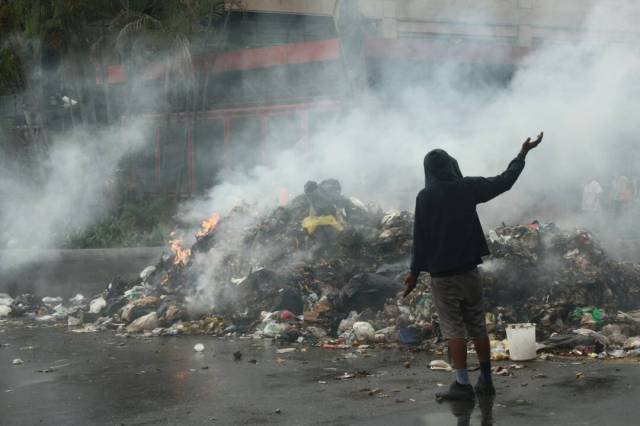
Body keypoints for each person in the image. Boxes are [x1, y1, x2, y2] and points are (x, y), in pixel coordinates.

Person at [404, 132, 544, 401]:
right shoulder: (466, 187)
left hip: (442, 276)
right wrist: (523, 154)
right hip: (469, 270)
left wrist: (413, 273)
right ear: (452, 165)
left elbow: (419, 238)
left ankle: (462, 384)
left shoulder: (425, 197)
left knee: (453, 329)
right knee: (477, 325)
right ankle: (487, 379)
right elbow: (505, 181)